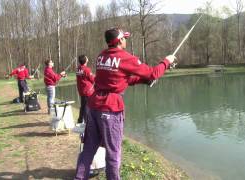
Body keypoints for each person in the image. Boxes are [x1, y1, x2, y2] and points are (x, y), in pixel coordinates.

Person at [74, 28, 176, 180]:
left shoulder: (101, 56)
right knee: (113, 152)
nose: (126, 40)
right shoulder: (125, 58)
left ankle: (79, 177)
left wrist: (144, 81)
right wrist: (167, 61)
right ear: (120, 40)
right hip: (110, 109)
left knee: (89, 147)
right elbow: (153, 73)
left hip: (93, 106)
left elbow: (120, 79)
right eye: (124, 38)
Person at [76, 55, 95, 124]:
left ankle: (80, 120)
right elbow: (93, 79)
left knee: (83, 106)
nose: (87, 58)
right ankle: (86, 121)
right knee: (87, 107)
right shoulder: (86, 69)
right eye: (86, 57)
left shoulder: (78, 68)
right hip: (88, 91)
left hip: (82, 91)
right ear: (85, 60)